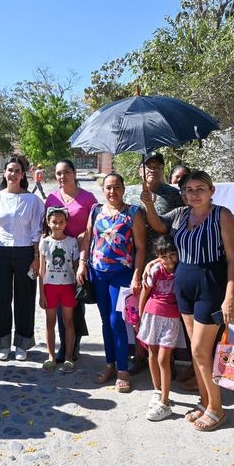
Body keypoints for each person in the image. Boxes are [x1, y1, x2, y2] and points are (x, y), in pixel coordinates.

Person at [143, 170, 234, 431]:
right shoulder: (182, 215)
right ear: (182, 194)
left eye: (200, 189)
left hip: (211, 285)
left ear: (211, 191)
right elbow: (159, 227)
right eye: (189, 190)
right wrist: (148, 203)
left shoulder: (223, 216)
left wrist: (230, 296)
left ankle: (217, 410)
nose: (194, 194)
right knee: (197, 351)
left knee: (199, 349)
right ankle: (206, 401)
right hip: (184, 284)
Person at [77, 172, 146, 393]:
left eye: (116, 187)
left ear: (124, 189)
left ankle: (123, 370)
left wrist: (137, 274)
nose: (112, 191)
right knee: (106, 320)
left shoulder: (133, 213)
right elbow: (88, 238)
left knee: (118, 321)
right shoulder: (96, 210)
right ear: (103, 189)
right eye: (108, 187)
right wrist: (82, 263)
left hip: (122, 274)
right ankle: (110, 364)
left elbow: (141, 247)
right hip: (98, 273)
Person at [124, 151, 184, 374]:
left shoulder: (174, 194)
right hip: (138, 259)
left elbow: (173, 226)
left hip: (167, 261)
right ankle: (140, 355)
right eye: (149, 166)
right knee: (139, 310)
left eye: (158, 166)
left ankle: (168, 360)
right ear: (141, 169)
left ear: (163, 169)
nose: (153, 170)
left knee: (168, 310)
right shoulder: (130, 193)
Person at [0, 156, 45, 361]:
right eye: (10, 170)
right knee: (0, 298)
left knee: (25, 299)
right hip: (1, 252)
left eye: (17, 170)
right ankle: (2, 343)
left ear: (23, 174)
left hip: (25, 252)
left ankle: (22, 343)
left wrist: (36, 257)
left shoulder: (33, 201)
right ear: (4, 173)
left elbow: (37, 230)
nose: (13, 174)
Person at [45, 159, 98, 363]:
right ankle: (63, 344)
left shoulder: (87, 198)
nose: (62, 176)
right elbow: (46, 225)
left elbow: (94, 224)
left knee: (76, 300)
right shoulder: (52, 197)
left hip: (80, 256)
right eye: (58, 173)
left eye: (66, 172)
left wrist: (85, 235)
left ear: (74, 173)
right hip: (58, 258)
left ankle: (74, 343)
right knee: (60, 302)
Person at [136, 234, 181, 421]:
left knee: (164, 358)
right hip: (152, 315)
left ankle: (165, 401)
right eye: (164, 257)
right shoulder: (155, 269)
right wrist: (139, 318)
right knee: (152, 353)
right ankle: (157, 390)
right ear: (158, 256)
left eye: (172, 255)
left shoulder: (182, 269)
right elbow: (145, 293)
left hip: (172, 318)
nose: (169, 261)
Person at [38, 207, 79, 373]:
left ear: (66, 223)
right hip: (50, 287)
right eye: (54, 222)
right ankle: (51, 357)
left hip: (68, 285)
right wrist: (41, 293)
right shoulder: (45, 242)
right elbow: (41, 270)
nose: (57, 225)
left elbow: (76, 266)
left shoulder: (72, 242)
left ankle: (69, 357)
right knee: (50, 322)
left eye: (61, 222)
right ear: (48, 223)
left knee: (68, 322)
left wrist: (78, 285)